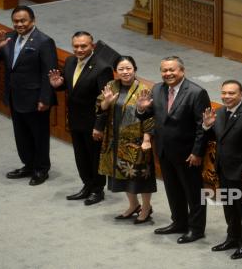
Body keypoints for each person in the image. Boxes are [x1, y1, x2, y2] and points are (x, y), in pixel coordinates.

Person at [136, 56, 211, 243]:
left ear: (182, 71)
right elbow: (151, 115)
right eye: (164, 70)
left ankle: (196, 229)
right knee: (173, 190)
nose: (167, 74)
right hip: (164, 150)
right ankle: (179, 222)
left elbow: (203, 127)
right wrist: (141, 109)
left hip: (188, 153)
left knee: (193, 193)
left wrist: (197, 152)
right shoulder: (157, 89)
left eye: (172, 70)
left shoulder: (196, 93)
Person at [0, 5, 57, 186]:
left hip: (36, 100)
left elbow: (48, 73)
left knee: (39, 135)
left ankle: (41, 169)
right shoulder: (8, 38)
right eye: (16, 21)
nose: (19, 24)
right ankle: (28, 165)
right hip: (14, 96)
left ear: (32, 21)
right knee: (21, 135)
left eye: (23, 20)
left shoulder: (44, 41)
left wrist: (45, 99)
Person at [48, 31, 114, 205]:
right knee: (80, 156)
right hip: (75, 120)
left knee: (94, 157)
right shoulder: (70, 61)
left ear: (92, 46)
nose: (79, 49)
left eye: (83, 46)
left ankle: (97, 189)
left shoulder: (102, 68)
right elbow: (72, 86)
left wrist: (99, 126)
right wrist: (58, 85)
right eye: (76, 46)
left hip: (93, 122)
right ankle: (87, 185)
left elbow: (105, 101)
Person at [202, 80, 242, 259]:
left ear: (241, 95)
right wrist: (207, 126)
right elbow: (217, 138)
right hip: (223, 169)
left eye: (231, 93)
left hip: (241, 172)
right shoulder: (218, 112)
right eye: (224, 93)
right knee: (228, 206)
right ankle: (233, 237)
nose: (227, 96)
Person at [96, 56, 156, 224]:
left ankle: (146, 207)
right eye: (121, 69)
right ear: (116, 71)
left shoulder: (144, 89)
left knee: (140, 176)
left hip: (136, 140)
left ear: (134, 69)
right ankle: (133, 205)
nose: (125, 72)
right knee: (122, 175)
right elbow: (100, 108)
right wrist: (106, 102)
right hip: (114, 138)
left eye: (128, 68)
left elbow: (150, 117)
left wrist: (146, 139)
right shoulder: (112, 85)